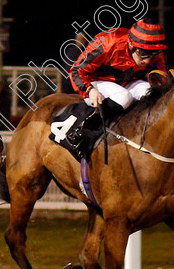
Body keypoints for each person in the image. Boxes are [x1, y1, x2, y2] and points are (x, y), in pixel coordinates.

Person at [62, 18, 167, 161]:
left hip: (125, 83)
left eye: (152, 55)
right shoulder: (107, 44)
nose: (148, 61)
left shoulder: (152, 49)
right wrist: (89, 90)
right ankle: (81, 131)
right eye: (143, 54)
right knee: (124, 97)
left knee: (147, 91)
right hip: (95, 83)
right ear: (131, 44)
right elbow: (76, 70)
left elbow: (161, 78)